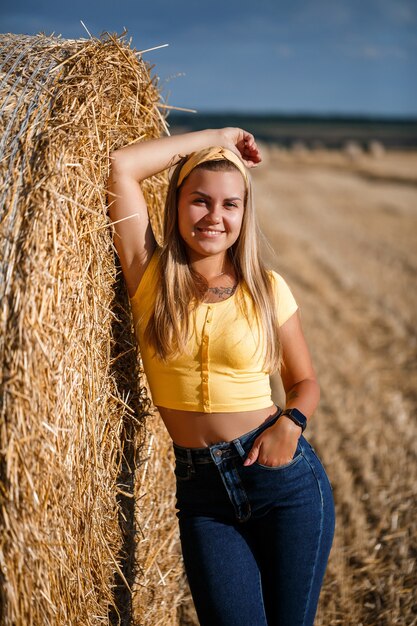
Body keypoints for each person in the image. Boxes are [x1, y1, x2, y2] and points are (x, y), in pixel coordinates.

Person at [107, 127, 335, 626]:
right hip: (202, 493)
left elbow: (306, 382)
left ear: (244, 215)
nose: (215, 216)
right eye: (200, 201)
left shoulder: (268, 289)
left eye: (231, 204)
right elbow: (122, 167)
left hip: (284, 482)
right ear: (177, 203)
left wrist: (290, 423)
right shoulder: (149, 278)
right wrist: (218, 137)